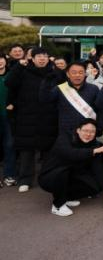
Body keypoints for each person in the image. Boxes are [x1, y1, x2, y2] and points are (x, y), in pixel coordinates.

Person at [5, 48, 58, 193]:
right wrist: (18, 66)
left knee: (48, 150)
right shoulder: (23, 71)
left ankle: (47, 178)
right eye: (38, 56)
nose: (42, 59)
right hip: (27, 117)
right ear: (32, 59)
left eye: (45, 56)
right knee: (27, 150)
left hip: (49, 117)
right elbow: (9, 83)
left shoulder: (54, 73)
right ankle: (25, 180)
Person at [38, 119, 103, 217]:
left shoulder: (94, 144)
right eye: (85, 131)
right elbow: (70, 154)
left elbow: (98, 168)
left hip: (72, 175)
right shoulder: (65, 138)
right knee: (63, 172)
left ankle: (66, 197)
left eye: (92, 132)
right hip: (50, 176)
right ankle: (57, 206)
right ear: (78, 130)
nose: (88, 134)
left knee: (95, 186)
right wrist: (93, 151)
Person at [40, 61, 103, 136]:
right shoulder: (60, 88)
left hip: (88, 133)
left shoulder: (94, 89)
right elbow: (45, 99)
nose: (77, 75)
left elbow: (100, 110)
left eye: (80, 72)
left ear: (85, 74)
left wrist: (100, 127)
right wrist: (46, 82)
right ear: (68, 74)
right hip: (66, 133)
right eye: (74, 72)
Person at [0, 55, 17, 187]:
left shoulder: (12, 76)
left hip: (9, 116)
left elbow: (19, 93)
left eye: (1, 59)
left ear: (5, 61)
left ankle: (9, 175)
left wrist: (14, 103)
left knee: (10, 146)